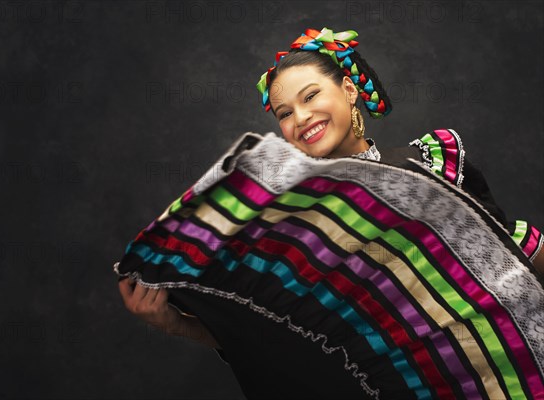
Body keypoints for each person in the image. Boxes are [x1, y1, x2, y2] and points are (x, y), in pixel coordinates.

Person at [117, 27, 544, 399]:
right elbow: (279, 338)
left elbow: (509, 258)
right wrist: (179, 324)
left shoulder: (428, 168)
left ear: (350, 90)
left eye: (311, 96)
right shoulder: (286, 225)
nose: (301, 118)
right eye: (285, 113)